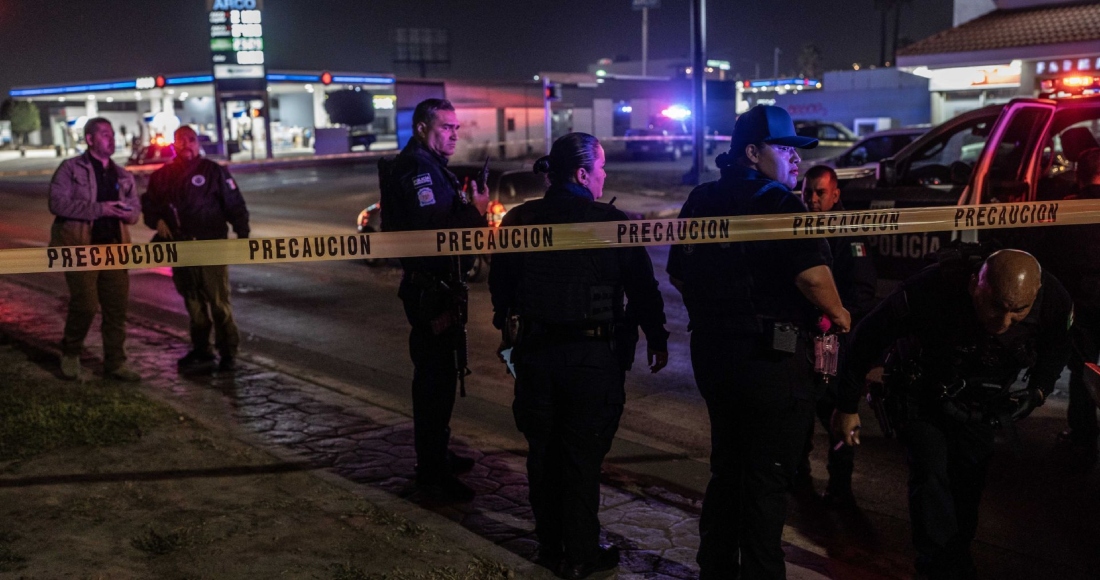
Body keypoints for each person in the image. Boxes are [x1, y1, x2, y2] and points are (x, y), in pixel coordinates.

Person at [667, 105, 851, 579]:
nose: (795, 160)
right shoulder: (779, 203)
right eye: (785, 148)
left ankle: (716, 569)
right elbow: (812, 278)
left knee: (728, 468)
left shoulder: (701, 198)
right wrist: (839, 313)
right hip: (771, 362)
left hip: (715, 356)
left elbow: (680, 275)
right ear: (752, 152)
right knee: (768, 478)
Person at [489, 133, 670, 579]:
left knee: (544, 454)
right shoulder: (609, 221)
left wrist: (510, 332)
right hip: (592, 358)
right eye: (602, 168)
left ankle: (551, 547)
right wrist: (656, 336)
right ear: (583, 173)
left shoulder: (518, 221)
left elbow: (502, 290)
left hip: (535, 355)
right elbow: (643, 289)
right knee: (581, 460)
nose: (605, 175)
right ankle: (583, 553)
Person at [832, 249, 1072, 579]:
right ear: (975, 284)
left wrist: (1040, 388)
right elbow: (866, 337)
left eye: (1018, 313)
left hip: (982, 402)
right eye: (995, 307)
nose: (1003, 323)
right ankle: (934, 567)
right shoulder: (931, 288)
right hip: (922, 394)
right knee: (931, 476)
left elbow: (1059, 344)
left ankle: (956, 558)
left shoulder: (1053, 298)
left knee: (968, 483)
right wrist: (846, 406)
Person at [379, 98, 489, 502]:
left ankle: (438, 453)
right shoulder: (418, 171)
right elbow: (434, 232)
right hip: (430, 290)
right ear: (423, 128)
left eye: (457, 128)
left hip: (439, 287)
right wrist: (476, 212)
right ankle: (431, 471)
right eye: (446, 127)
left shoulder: (430, 167)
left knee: (442, 376)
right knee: (434, 383)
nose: (455, 134)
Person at [796, 165, 878, 506]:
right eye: (808, 193)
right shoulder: (798, 225)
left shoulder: (849, 233)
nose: (813, 199)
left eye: (820, 193)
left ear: (835, 195)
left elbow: (861, 291)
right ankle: (798, 479)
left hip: (835, 338)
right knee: (799, 413)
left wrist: (832, 314)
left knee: (838, 413)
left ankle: (840, 487)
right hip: (803, 337)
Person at [141, 126, 250, 372]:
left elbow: (234, 204)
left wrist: (243, 234)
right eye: (180, 140)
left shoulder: (214, 172)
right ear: (173, 144)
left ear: (197, 143)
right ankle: (202, 350)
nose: (186, 144)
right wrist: (156, 220)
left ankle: (228, 352)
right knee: (193, 303)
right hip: (180, 247)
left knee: (219, 303)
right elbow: (149, 205)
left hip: (210, 245)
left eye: (190, 140)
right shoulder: (162, 176)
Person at [48, 117, 142, 382]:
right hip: (80, 247)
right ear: (89, 139)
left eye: (112, 134)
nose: (111, 139)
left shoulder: (122, 175)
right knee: (86, 304)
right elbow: (57, 204)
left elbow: (135, 213)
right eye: (104, 134)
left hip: (115, 248)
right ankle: (71, 350)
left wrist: (125, 213)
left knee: (116, 309)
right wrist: (100, 209)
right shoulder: (70, 169)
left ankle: (115, 363)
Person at [1041, 147, 1100, 449]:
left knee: (1083, 372)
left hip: (1082, 304)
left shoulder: (1066, 210)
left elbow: (1048, 260)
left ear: (1079, 176)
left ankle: (1083, 438)